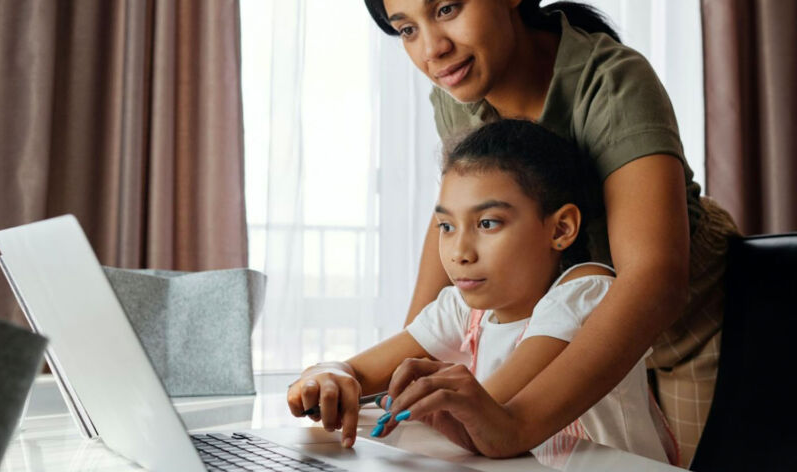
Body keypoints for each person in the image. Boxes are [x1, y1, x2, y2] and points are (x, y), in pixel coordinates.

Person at [357, 0, 740, 466]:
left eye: (447, 9)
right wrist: (405, 366)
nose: (431, 49)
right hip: (562, 321)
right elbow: (455, 218)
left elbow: (654, 278)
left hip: (680, 323)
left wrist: (516, 423)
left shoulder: (612, 81)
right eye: (406, 29)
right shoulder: (455, 94)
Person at [287, 119, 671, 463]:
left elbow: (489, 415)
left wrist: (413, 397)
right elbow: (358, 370)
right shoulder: (464, 309)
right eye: (447, 227)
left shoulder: (586, 293)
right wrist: (327, 376)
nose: (459, 253)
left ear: (560, 229)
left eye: (487, 223)